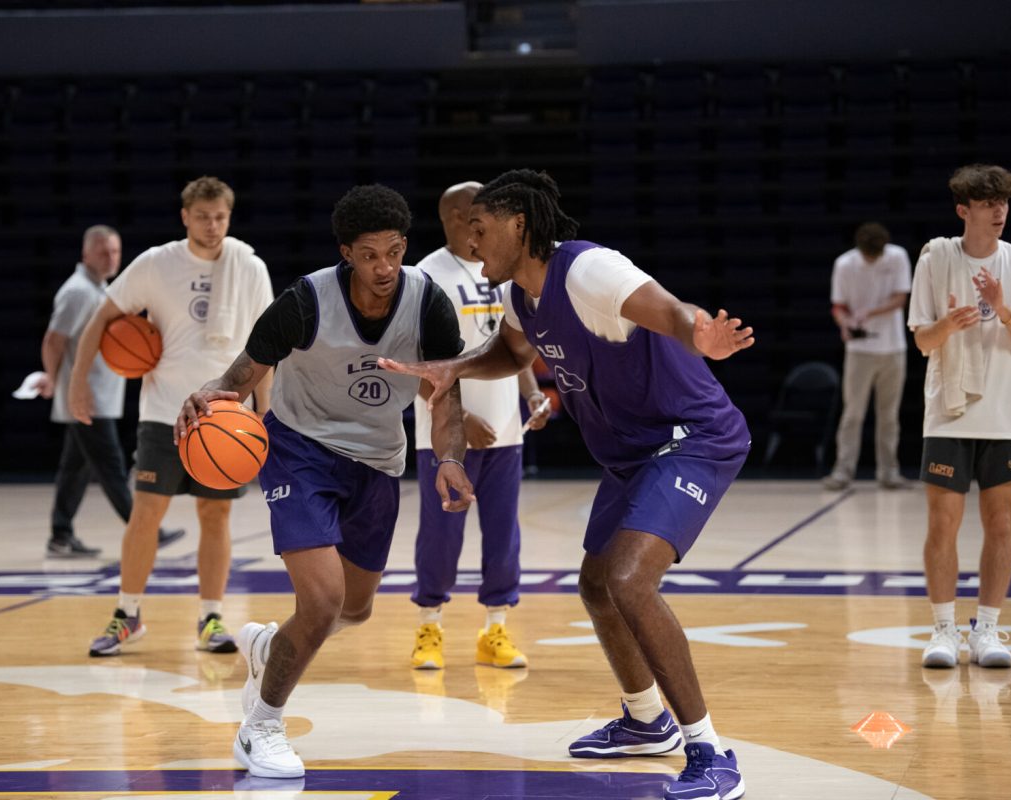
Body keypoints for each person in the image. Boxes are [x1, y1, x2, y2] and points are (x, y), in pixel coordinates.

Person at [381, 169, 754, 800]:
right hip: (632, 454)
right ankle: (644, 721)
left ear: (518, 223)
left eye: (481, 228)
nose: (471, 243)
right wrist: (458, 368)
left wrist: (701, 333)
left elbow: (668, 309)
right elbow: (515, 354)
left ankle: (710, 750)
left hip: (690, 437)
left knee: (630, 580)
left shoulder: (588, 271)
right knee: (595, 584)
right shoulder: (518, 296)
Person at [175, 184, 473, 779]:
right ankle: (260, 726)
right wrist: (212, 394)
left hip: (378, 461)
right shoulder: (305, 300)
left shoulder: (428, 303)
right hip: (299, 451)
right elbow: (244, 371)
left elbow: (445, 396)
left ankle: (269, 647)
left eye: (393, 251)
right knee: (322, 601)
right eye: (369, 255)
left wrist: (449, 458)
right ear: (346, 253)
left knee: (355, 610)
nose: (384, 267)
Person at [68, 176, 275, 657]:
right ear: (185, 216)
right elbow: (100, 319)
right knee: (145, 513)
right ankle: (128, 613)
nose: (212, 225)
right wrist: (78, 382)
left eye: (220, 216)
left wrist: (266, 416)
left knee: (215, 514)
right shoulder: (156, 263)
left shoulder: (250, 266)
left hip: (225, 416)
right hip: (164, 412)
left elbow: (266, 349)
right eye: (202, 216)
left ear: (230, 215)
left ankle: (210, 617)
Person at [409, 181, 551, 672]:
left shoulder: (503, 270)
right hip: (446, 436)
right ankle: (429, 626)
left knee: (502, 535)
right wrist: (458, 418)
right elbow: (416, 363)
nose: (479, 226)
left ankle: (496, 630)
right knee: (441, 535)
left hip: (506, 432)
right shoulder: (425, 275)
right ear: (452, 216)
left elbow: (511, 346)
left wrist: (532, 393)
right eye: (472, 217)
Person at [908, 164, 1011, 670]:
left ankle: (986, 628)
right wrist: (948, 324)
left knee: (1001, 524)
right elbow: (921, 341)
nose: (999, 210)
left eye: (1003, 201)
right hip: (949, 411)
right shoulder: (936, 257)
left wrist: (1002, 310)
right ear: (964, 210)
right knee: (943, 523)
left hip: (1006, 413)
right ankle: (943, 629)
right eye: (987, 203)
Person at [36, 225, 185, 558]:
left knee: (75, 468)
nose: (111, 257)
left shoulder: (99, 290)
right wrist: (53, 377)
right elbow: (53, 339)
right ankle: (147, 530)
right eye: (103, 251)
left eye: (115, 251)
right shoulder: (77, 292)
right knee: (111, 464)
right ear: (85, 253)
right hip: (89, 399)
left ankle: (60, 535)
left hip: (99, 397)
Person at [823, 222, 913, 491]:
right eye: (869, 255)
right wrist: (845, 324)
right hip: (860, 351)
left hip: (893, 347)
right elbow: (838, 306)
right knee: (852, 413)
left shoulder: (897, 257)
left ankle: (889, 472)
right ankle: (842, 470)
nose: (873, 259)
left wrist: (869, 313)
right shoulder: (845, 264)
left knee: (889, 415)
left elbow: (900, 298)